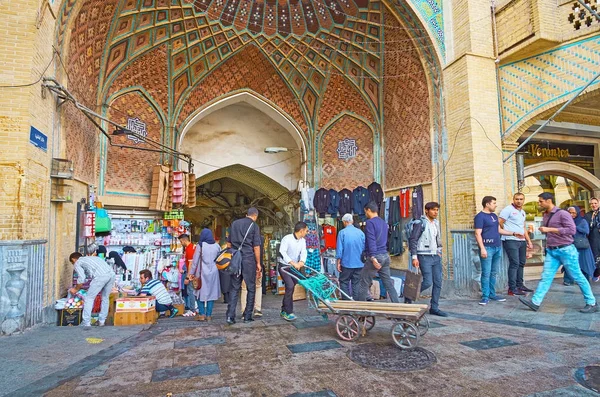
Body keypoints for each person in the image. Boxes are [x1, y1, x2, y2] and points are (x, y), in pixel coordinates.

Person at [519, 193, 597, 313]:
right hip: (552, 251)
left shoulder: (562, 213)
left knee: (578, 276)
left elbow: (571, 230)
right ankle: (535, 302)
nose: (539, 203)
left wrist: (550, 229)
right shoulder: (545, 215)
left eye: (541, 201)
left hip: (566, 250)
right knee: (546, 277)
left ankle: (591, 302)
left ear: (548, 201)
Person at [475, 196, 520, 305]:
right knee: (486, 273)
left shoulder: (494, 216)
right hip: (487, 248)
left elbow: (499, 230)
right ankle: (485, 296)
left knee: (494, 273)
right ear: (487, 204)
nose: (496, 205)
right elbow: (477, 233)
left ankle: (492, 294)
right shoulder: (479, 217)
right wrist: (482, 248)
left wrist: (513, 233)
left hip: (497, 247)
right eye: (494, 203)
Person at [406, 201, 447, 317]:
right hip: (424, 256)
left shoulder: (436, 223)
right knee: (428, 282)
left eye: (437, 210)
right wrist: (414, 257)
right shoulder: (420, 223)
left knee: (438, 282)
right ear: (427, 211)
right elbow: (413, 240)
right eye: (433, 210)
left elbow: (438, 238)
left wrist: (439, 252)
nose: (435, 212)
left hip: (435, 256)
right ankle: (409, 295)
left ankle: (434, 307)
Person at [357, 202, 399, 303]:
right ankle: (397, 307)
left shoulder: (370, 223)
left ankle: (361, 311)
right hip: (385, 256)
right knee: (388, 284)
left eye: (365, 212)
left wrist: (373, 257)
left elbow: (371, 241)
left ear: (368, 210)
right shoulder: (383, 223)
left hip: (376, 257)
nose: (365, 214)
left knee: (363, 283)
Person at [226, 207, 262, 325]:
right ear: (255, 216)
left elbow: (228, 243)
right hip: (248, 260)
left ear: (247, 214)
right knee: (251, 288)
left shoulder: (235, 224)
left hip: (235, 259)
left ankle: (230, 316)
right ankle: (247, 316)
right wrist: (258, 263)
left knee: (234, 288)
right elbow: (256, 247)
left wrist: (233, 254)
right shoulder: (254, 226)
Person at [499, 193, 534, 296]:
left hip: (522, 241)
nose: (519, 201)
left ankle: (520, 285)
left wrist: (529, 241)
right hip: (510, 239)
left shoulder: (522, 212)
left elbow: (523, 227)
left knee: (521, 263)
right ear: (513, 199)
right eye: (517, 199)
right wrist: (508, 230)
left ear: (524, 200)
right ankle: (512, 288)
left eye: (521, 199)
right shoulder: (508, 210)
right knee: (514, 263)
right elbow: (500, 222)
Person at [69, 250, 116, 327]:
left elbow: (81, 278)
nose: (73, 264)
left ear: (74, 259)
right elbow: (88, 277)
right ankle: (101, 321)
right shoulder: (93, 258)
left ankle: (86, 322)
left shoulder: (78, 262)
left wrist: (75, 289)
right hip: (111, 274)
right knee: (105, 298)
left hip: (100, 277)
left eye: (72, 262)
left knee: (89, 298)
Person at [278, 222, 308, 321]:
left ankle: (284, 309)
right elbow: (282, 252)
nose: (307, 232)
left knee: (290, 288)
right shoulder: (287, 239)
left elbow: (304, 252)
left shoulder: (303, 241)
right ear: (301, 230)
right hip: (284, 266)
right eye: (306, 230)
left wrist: (302, 261)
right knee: (290, 286)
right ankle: (288, 312)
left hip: (295, 267)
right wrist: (292, 262)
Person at [190, 229, 221, 321]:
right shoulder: (217, 246)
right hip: (214, 272)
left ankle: (202, 314)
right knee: (212, 293)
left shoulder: (201, 245)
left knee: (199, 292)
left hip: (202, 272)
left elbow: (195, 261)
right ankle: (209, 315)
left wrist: (191, 273)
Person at [336, 213, 365, 300]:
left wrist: (338, 262)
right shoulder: (360, 233)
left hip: (347, 263)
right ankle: (355, 304)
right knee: (356, 283)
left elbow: (339, 250)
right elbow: (364, 248)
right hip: (359, 263)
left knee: (344, 282)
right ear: (352, 221)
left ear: (344, 222)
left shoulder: (342, 233)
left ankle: (347, 302)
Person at [563, 206, 596, 284]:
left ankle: (584, 280)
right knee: (569, 263)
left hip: (581, 246)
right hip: (570, 245)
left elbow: (586, 231)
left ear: (577, 213)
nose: (571, 214)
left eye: (573, 213)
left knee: (583, 263)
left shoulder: (582, 221)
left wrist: (575, 227)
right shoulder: (566, 221)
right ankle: (568, 280)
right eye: (570, 212)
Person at [241, 235, 265, 318]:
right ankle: (257, 309)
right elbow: (260, 253)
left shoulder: (241, 238)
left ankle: (244, 310)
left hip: (244, 266)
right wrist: (259, 266)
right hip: (256, 265)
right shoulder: (260, 238)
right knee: (258, 286)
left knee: (244, 288)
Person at [179, 234, 197, 317]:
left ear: (183, 240)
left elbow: (190, 264)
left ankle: (193, 309)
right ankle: (195, 308)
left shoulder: (189, 249)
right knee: (193, 291)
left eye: (181, 241)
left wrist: (187, 277)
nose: (181, 243)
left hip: (191, 274)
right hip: (194, 273)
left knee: (191, 291)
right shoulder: (192, 247)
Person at [584, 198, 600, 281]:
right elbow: (586, 228)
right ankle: (596, 274)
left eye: (595, 203)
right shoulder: (588, 215)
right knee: (595, 257)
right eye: (592, 204)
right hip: (593, 239)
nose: (594, 205)